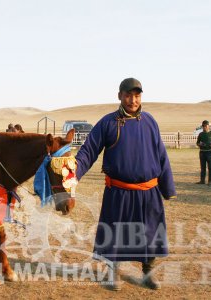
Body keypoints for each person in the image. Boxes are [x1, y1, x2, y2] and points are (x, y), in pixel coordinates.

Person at [75, 78, 176, 291]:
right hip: (118, 191)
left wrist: (168, 188)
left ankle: (147, 274)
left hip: (148, 192)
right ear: (120, 95)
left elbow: (161, 155)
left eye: (137, 95)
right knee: (116, 234)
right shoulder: (108, 122)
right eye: (129, 95)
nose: (133, 100)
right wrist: (72, 174)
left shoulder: (150, 121)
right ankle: (112, 274)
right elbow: (88, 151)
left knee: (149, 234)